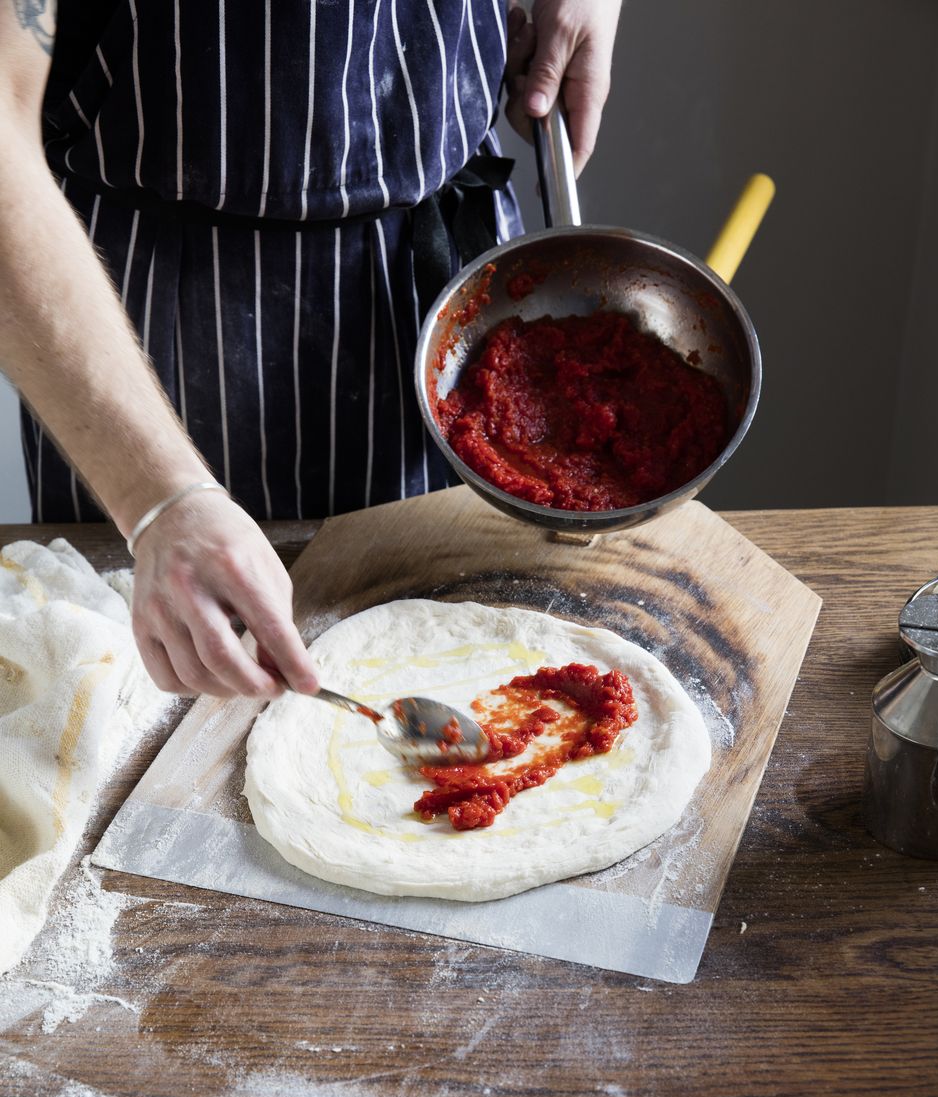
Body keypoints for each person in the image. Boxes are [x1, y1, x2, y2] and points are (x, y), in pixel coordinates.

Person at [0, 0, 621, 699]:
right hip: (147, 319)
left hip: (437, 280)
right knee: (156, 705)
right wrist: (156, 499)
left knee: (476, 676)